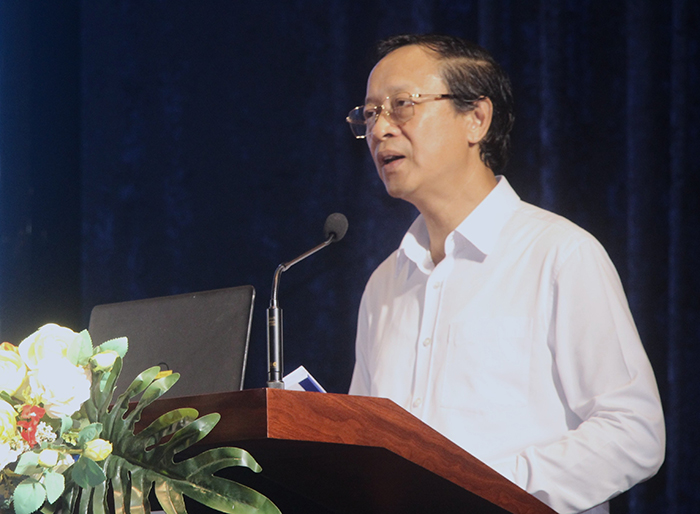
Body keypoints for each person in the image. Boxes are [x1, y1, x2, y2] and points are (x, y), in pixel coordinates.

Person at [346, 34, 665, 514]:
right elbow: (366, 449)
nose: (380, 129)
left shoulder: (559, 254)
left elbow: (633, 433)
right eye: (370, 114)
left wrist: (483, 488)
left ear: (476, 118)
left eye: (402, 105)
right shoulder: (385, 284)